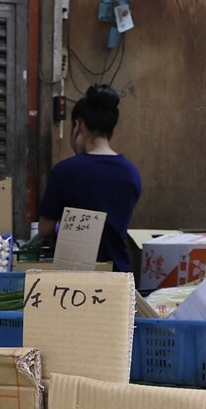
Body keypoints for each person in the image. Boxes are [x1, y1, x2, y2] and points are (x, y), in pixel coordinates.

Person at [38, 84, 143, 272]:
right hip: (118, 273)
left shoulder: (66, 171)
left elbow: (45, 230)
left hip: (75, 278)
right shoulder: (131, 173)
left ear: (78, 125)